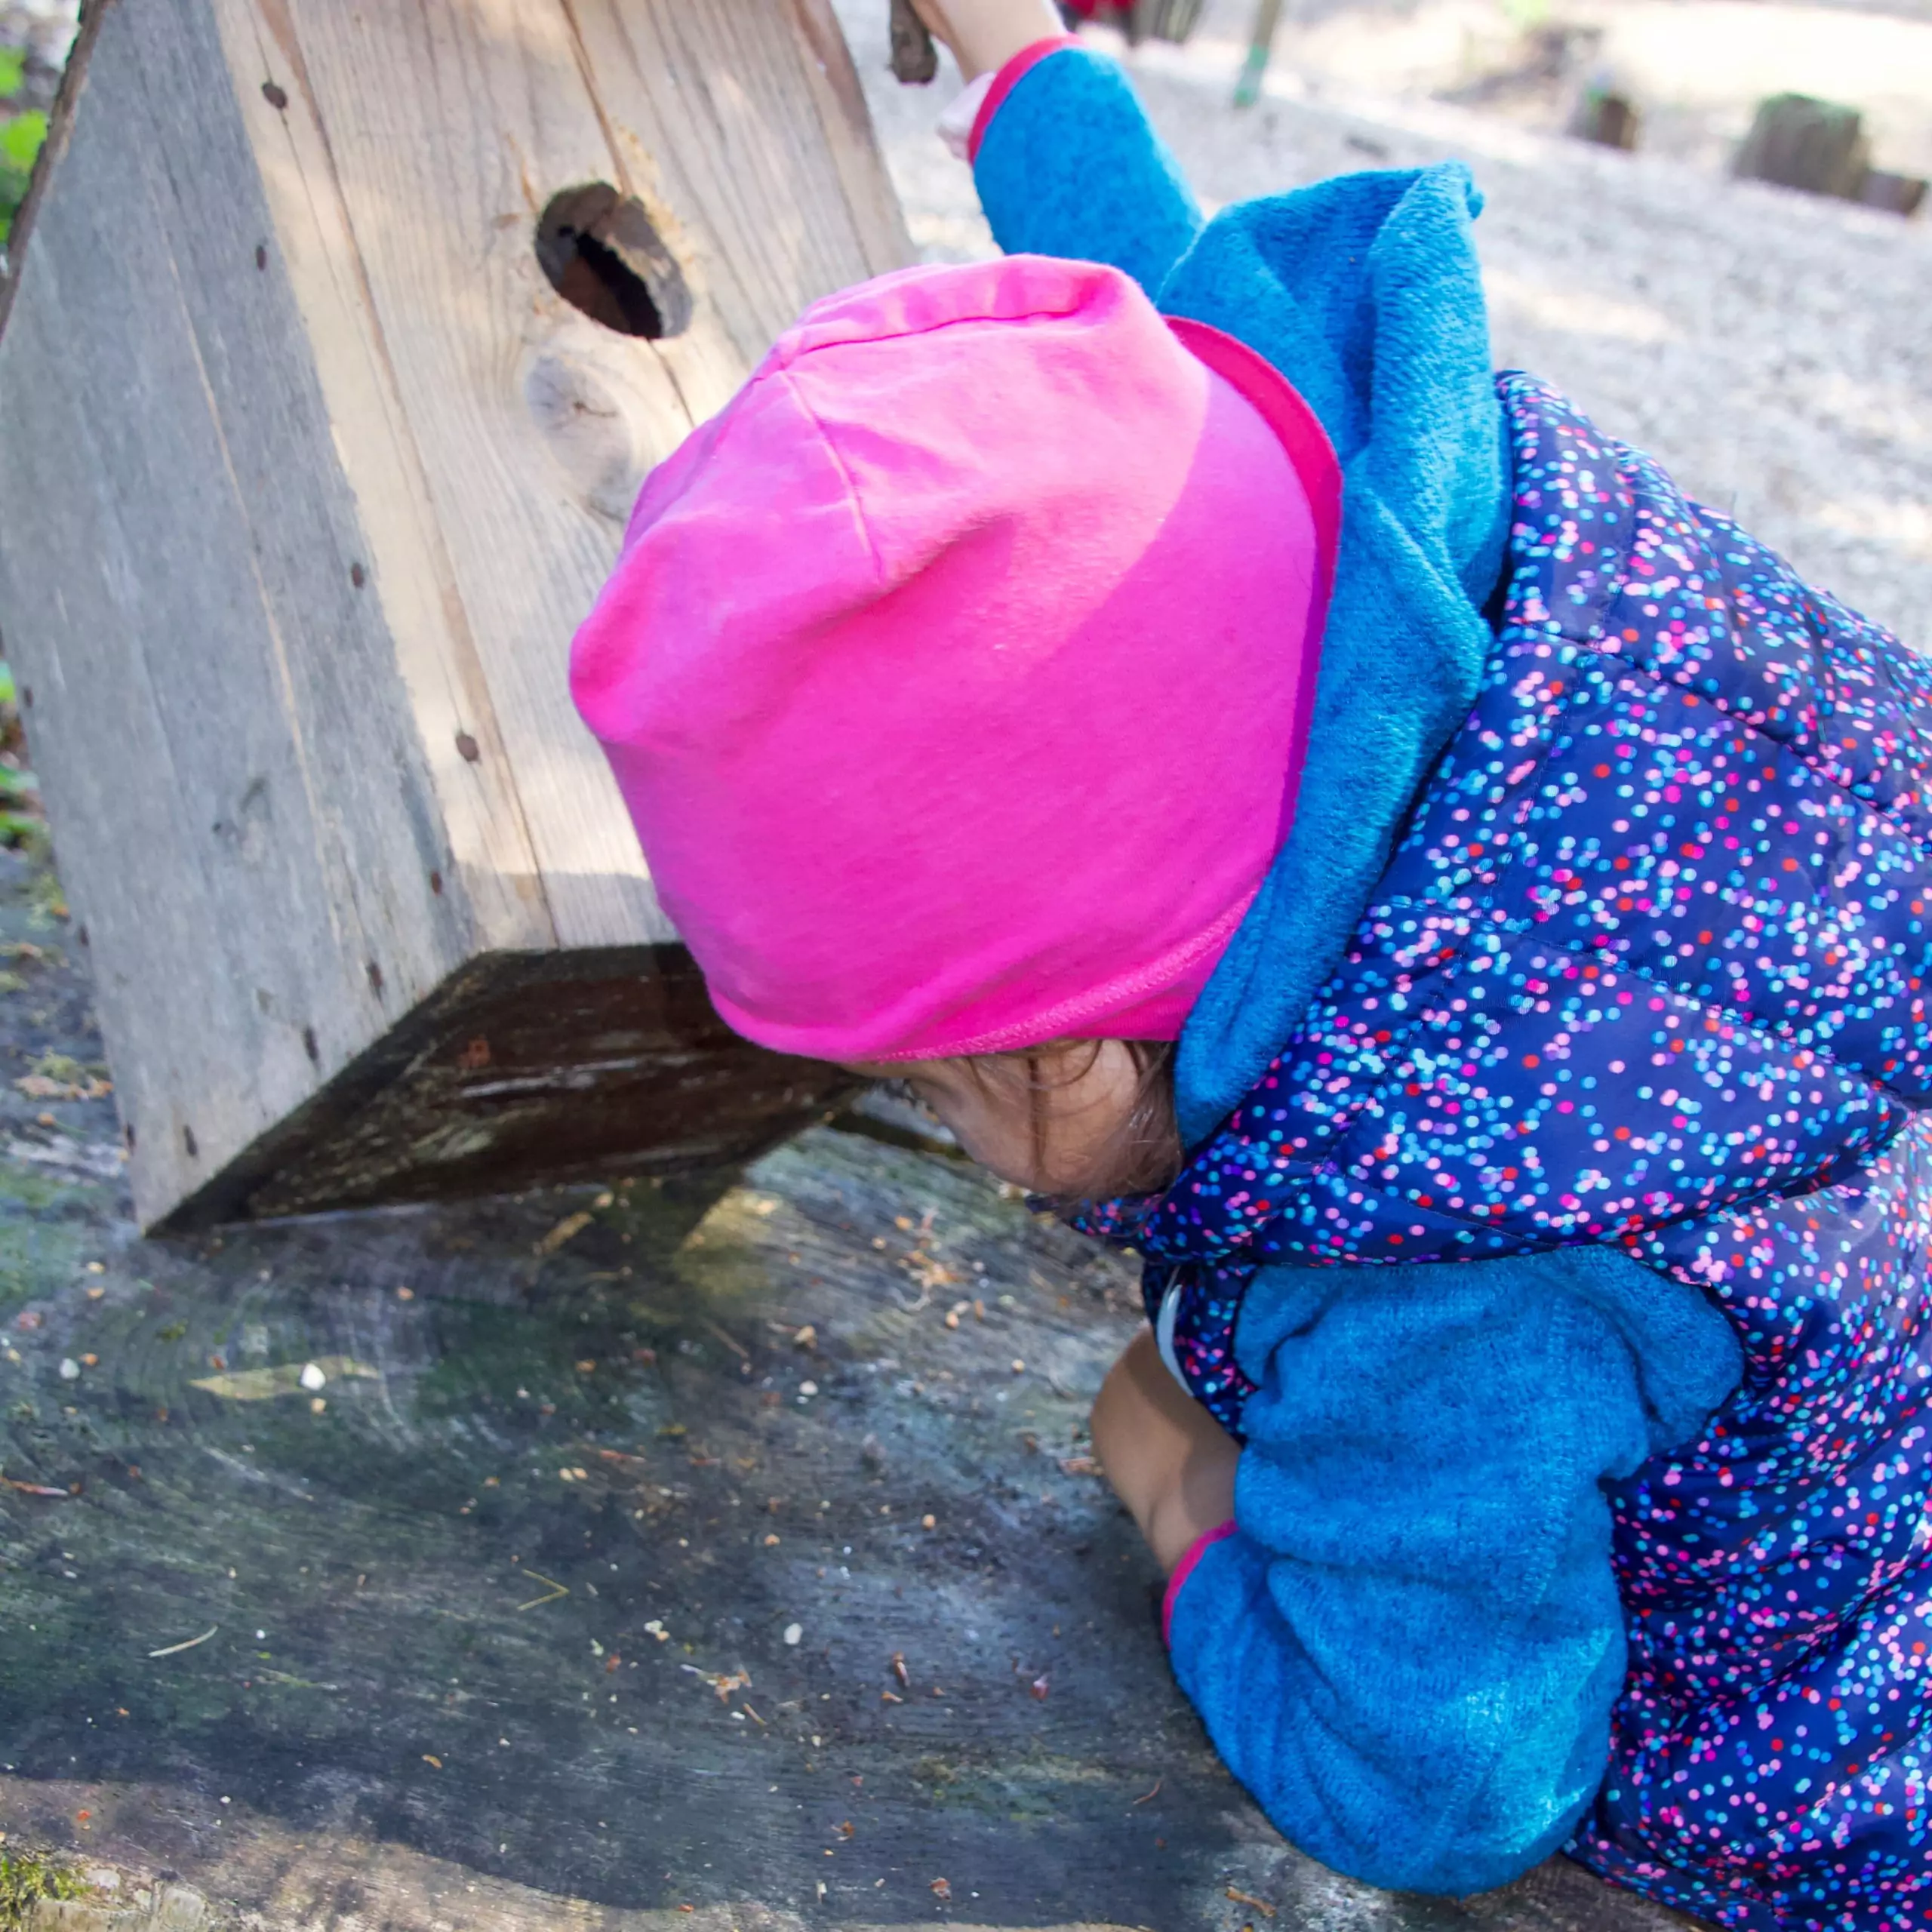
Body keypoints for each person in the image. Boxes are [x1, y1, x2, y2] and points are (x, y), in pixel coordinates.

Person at [571, 3, 1932, 1921]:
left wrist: (1178, 1497)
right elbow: (1189, 354)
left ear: (1071, 1027)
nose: (935, 1132)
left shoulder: (1446, 1281)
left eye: (929, 1077)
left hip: (1839, 1782)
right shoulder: (1393, 589)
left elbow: (1450, 1781)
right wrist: (1021, 73)